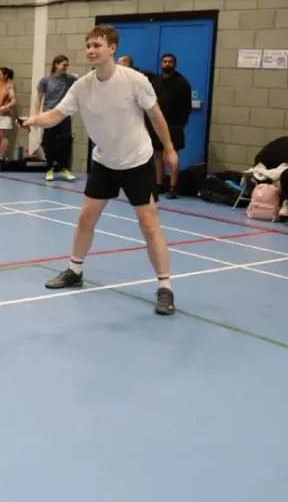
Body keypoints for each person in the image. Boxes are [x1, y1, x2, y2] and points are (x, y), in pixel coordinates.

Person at [21, 24, 178, 316]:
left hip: (137, 162)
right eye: (88, 46)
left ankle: (165, 288)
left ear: (112, 48)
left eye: (97, 45)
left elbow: (155, 115)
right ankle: (74, 270)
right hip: (105, 162)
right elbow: (56, 115)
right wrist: (34, 120)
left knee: (148, 224)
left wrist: (169, 148)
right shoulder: (82, 86)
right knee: (85, 217)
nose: (91, 50)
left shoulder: (135, 80)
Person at [147, 53, 191, 200]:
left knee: (172, 155)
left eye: (170, 62)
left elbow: (186, 107)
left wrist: (180, 125)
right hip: (156, 126)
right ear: (161, 64)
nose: (167, 64)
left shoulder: (182, 83)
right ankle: (159, 184)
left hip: (173, 126)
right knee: (158, 155)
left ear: (174, 64)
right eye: (165, 62)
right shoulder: (156, 81)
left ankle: (173, 186)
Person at [34, 55, 77, 182]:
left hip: (64, 115)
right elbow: (38, 98)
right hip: (48, 114)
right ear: (56, 64)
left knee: (64, 142)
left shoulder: (70, 79)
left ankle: (65, 168)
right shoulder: (45, 80)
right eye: (64, 65)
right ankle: (49, 169)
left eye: (67, 65)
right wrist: (37, 116)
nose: (66, 67)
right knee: (49, 142)